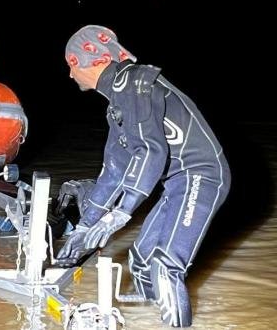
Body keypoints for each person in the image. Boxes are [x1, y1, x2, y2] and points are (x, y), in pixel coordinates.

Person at [55, 25, 230, 327]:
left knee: (165, 266)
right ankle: (149, 319)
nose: (70, 75)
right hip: (177, 182)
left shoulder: (135, 82)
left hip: (202, 175)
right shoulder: (117, 104)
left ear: (94, 61)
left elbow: (151, 152)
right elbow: (113, 172)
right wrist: (83, 229)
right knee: (140, 261)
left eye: (72, 65)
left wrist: (119, 215)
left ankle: (178, 323)